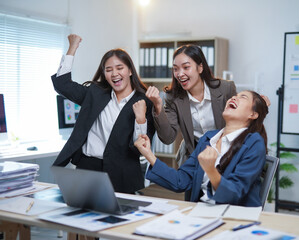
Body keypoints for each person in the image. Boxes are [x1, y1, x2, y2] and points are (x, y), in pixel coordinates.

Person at [51, 34, 155, 193]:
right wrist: (73, 47)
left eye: (120, 68)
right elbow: (62, 84)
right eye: (109, 70)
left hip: (122, 174)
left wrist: (141, 119)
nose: (114, 74)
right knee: (81, 215)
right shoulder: (95, 93)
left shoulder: (144, 101)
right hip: (88, 168)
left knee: (121, 217)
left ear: (130, 71)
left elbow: (139, 148)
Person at [135, 90, 268, 206]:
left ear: (253, 114)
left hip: (234, 217)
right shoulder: (208, 138)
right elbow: (181, 181)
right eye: (235, 95)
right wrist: (148, 154)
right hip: (201, 211)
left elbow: (235, 193)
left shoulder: (254, 143)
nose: (233, 98)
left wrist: (211, 170)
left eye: (243, 97)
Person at [146, 44, 237, 168]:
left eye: (186, 67)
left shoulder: (226, 89)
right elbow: (168, 138)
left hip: (226, 157)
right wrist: (158, 106)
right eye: (175, 69)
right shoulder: (173, 98)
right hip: (194, 160)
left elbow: (241, 121)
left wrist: (260, 104)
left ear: (200, 68)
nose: (180, 74)